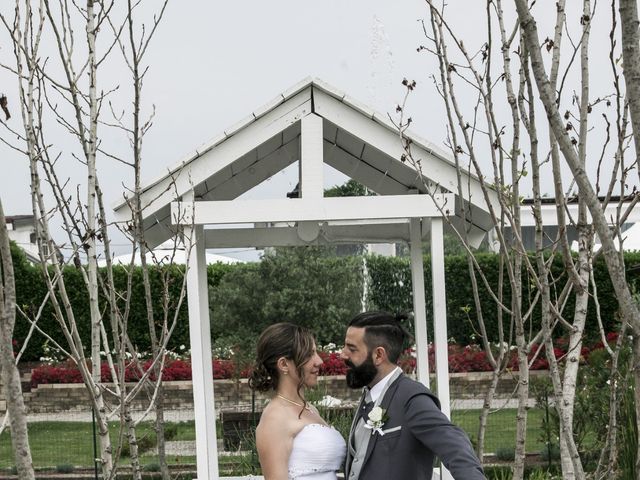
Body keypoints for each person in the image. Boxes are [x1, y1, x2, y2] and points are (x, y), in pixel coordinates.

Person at [341, 311, 486, 480]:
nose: (342, 354)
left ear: (379, 355)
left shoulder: (412, 398)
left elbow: (456, 447)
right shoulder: (369, 395)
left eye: (351, 348)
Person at [249, 322, 346, 480]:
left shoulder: (310, 409)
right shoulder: (275, 418)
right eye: (309, 355)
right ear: (284, 364)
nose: (319, 361)